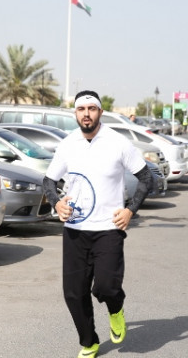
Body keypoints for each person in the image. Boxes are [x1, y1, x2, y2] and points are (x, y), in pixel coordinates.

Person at [42, 90, 153, 358]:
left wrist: (130, 211)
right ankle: (89, 341)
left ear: (100, 112)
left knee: (106, 287)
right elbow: (48, 181)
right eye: (82, 109)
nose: (87, 114)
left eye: (92, 109)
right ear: (75, 114)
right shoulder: (68, 144)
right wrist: (56, 203)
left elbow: (148, 178)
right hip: (75, 231)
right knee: (73, 293)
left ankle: (116, 309)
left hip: (108, 229)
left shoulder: (118, 143)